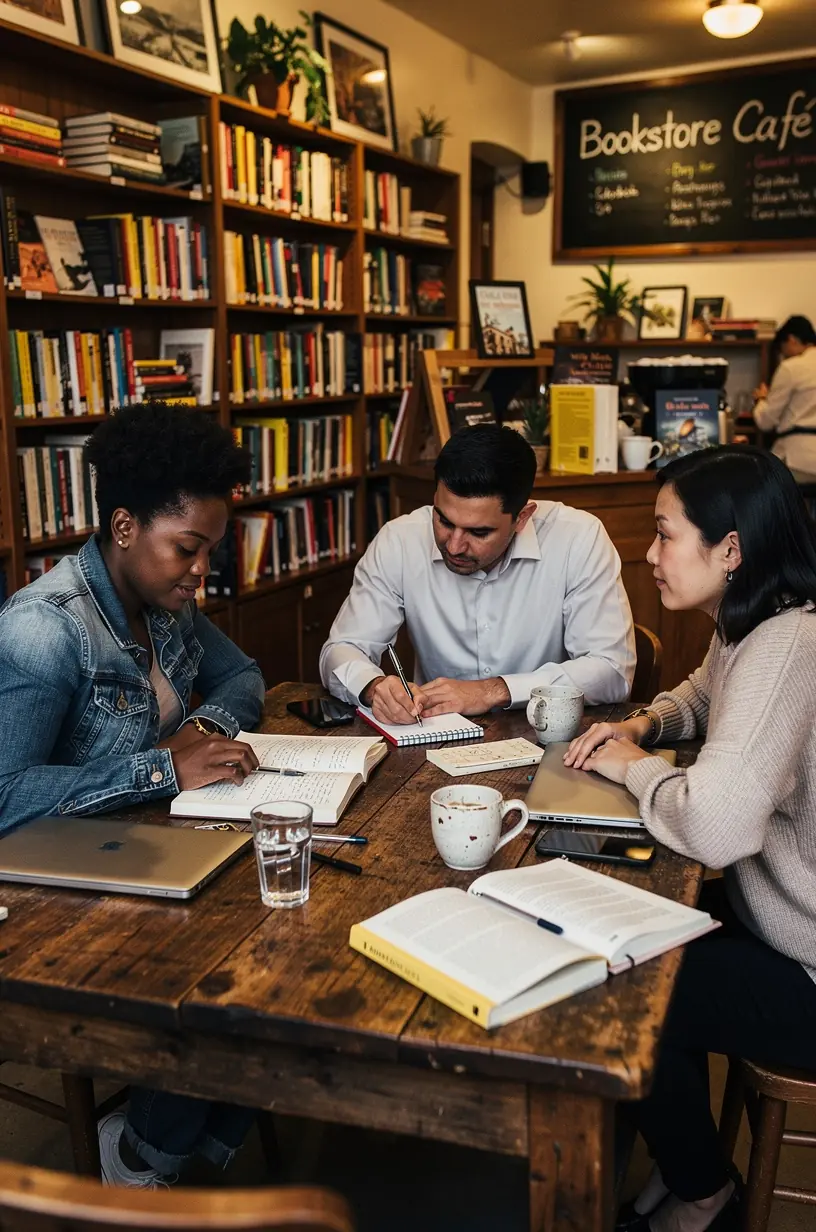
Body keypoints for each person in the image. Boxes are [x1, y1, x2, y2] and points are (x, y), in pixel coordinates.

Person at [0, 404, 266, 1189]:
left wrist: (204, 735)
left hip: (148, 848)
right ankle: (148, 1154)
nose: (201, 572)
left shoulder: (166, 606)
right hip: (52, 895)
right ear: (123, 527)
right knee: (232, 974)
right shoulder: (44, 630)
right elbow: (5, 793)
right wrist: (163, 769)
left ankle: (171, 1143)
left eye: (209, 551)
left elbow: (242, 676)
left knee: (277, 938)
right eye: (188, 548)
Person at [564, 445, 816, 1232]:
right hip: (776, 916)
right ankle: (683, 1168)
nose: (651, 554)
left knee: (626, 992)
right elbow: (704, 697)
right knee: (631, 941)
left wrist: (635, 766)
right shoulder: (753, 623)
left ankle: (703, 1189)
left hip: (808, 962)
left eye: (666, 534)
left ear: (730, 549)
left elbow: (712, 825)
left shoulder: (786, 647)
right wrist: (643, 722)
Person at [320, 424, 635, 724]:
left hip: (541, 737)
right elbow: (341, 649)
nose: (454, 546)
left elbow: (611, 671)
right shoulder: (400, 540)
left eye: (478, 532)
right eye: (443, 521)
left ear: (522, 518)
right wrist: (374, 686)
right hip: (430, 739)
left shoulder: (578, 539)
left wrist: (493, 691)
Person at [752, 314, 816, 472]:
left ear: (792, 339)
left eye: (783, 350)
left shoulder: (791, 367)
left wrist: (761, 400)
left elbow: (765, 422)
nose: (784, 356)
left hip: (799, 460)